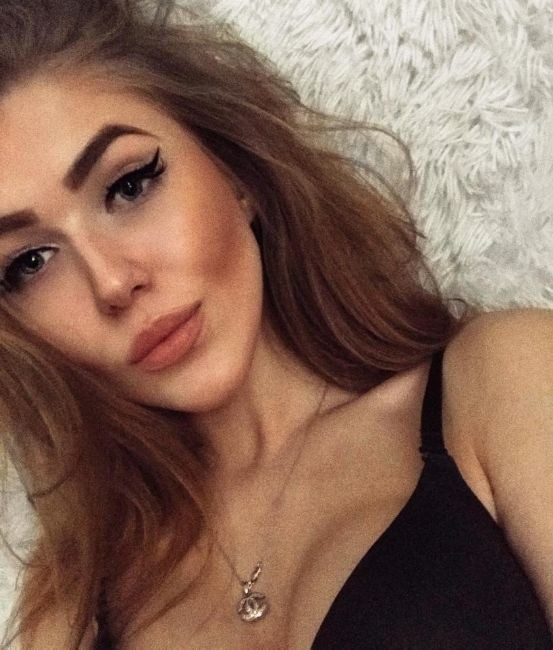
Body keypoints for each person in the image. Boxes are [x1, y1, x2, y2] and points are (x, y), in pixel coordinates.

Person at [0, 0, 551, 648]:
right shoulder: (74, 600)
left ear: (235, 173)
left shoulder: (504, 378)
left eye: (129, 186)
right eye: (30, 263)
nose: (113, 283)